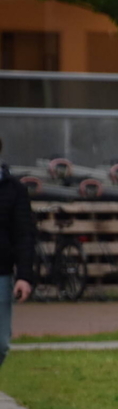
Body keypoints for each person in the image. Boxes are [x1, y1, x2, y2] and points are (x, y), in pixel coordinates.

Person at [0, 138, 35, 368]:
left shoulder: (15, 189)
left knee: (1, 343)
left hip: (1, 274)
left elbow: (24, 235)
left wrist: (24, 276)